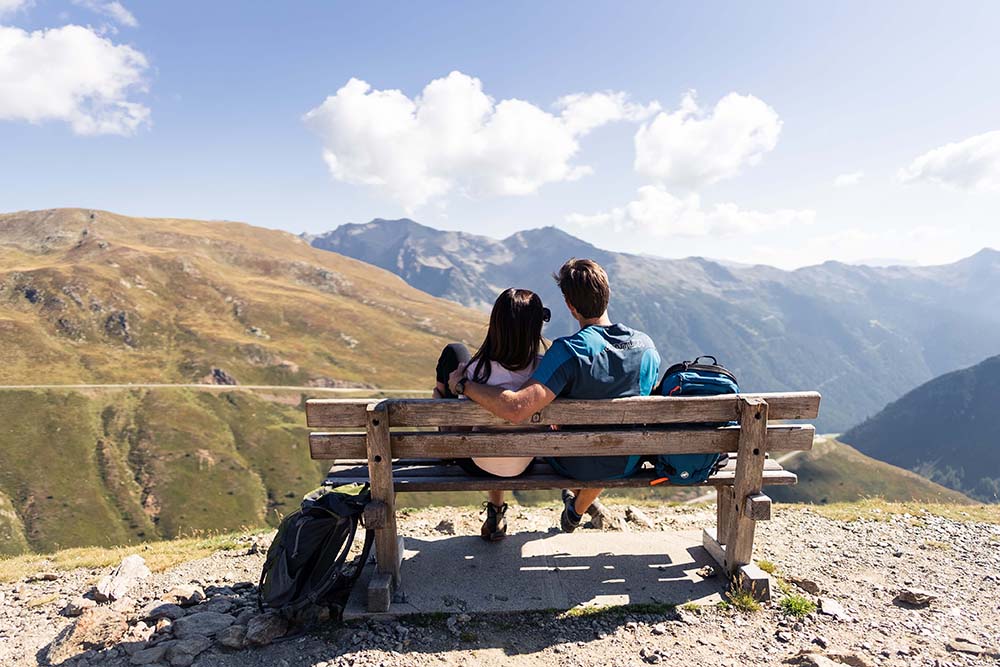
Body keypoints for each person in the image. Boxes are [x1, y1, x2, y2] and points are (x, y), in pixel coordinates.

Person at [449, 258, 660, 533]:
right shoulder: (646, 346)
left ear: (571, 307)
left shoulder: (567, 352)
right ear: (608, 295)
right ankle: (578, 508)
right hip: (629, 460)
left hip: (575, 462)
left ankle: (568, 506)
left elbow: (517, 409)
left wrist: (463, 385)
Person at [434, 288, 550, 542]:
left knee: (453, 353)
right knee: (505, 438)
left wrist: (454, 388)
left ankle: (439, 393)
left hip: (478, 465)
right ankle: (497, 510)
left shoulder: (475, 372)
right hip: (524, 464)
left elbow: (462, 434)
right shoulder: (545, 369)